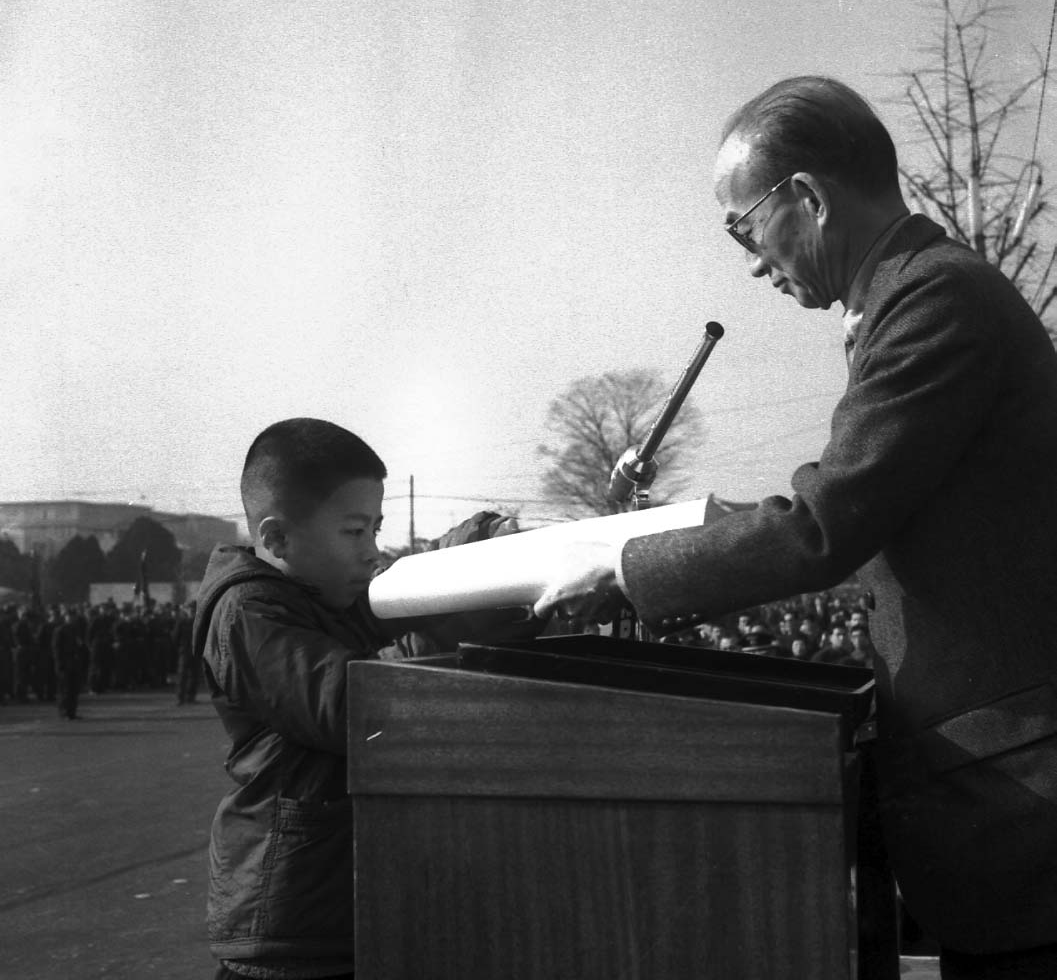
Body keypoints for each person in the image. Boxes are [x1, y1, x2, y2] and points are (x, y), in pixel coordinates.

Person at [534, 76, 1057, 978]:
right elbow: (863, 508)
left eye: (743, 228)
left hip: (1014, 797)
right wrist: (680, 530)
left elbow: (823, 525)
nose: (748, 262)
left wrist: (626, 570)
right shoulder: (916, 293)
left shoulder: (933, 301)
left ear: (808, 198)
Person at [193, 417, 538, 980]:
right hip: (292, 915)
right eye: (355, 533)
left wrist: (469, 553)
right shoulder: (247, 612)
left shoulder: (323, 591)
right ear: (277, 538)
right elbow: (355, 705)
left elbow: (408, 591)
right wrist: (450, 628)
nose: (372, 553)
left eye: (375, 531)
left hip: (342, 900)